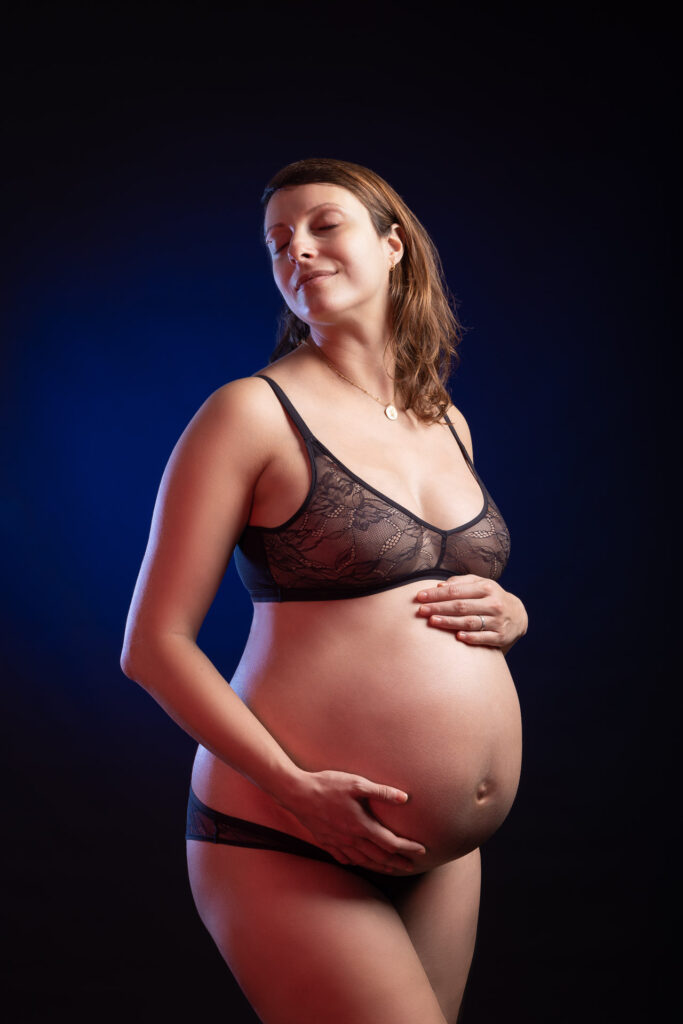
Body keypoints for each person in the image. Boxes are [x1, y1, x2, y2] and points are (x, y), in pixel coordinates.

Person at [120, 157, 528, 1024]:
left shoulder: (443, 417)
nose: (296, 250)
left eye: (322, 225)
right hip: (287, 828)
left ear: (393, 248)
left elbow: (429, 589)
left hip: (443, 853)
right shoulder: (249, 414)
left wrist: (510, 610)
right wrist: (294, 787)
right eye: (277, 241)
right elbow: (152, 646)